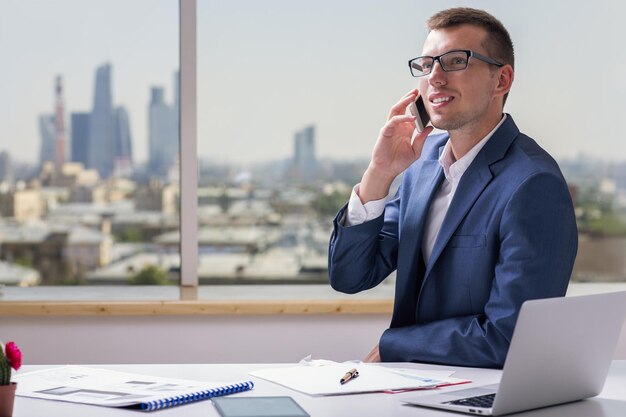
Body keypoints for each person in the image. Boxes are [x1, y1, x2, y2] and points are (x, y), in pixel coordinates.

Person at [328, 7, 578, 368]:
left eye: (455, 61)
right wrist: (379, 174)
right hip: (412, 388)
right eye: (427, 65)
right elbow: (349, 276)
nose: (435, 78)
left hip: (482, 393)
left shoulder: (532, 184)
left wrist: (396, 345)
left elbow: (510, 340)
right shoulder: (423, 164)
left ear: (501, 80)